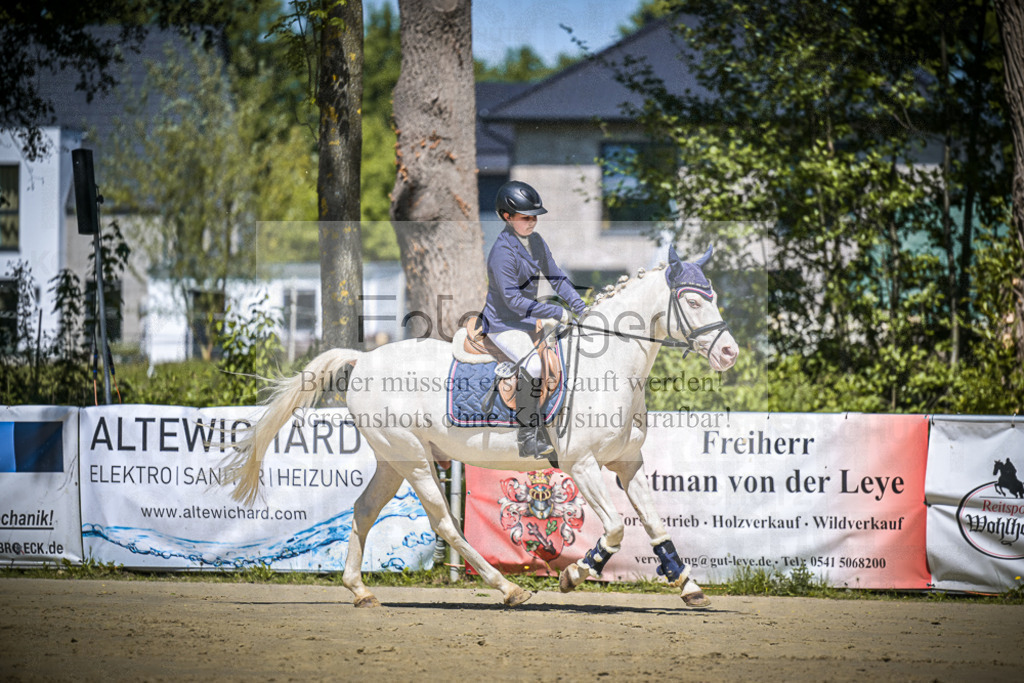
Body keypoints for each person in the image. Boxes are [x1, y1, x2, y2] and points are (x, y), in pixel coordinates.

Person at [480, 180, 587, 459]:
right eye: (526, 217)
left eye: (534, 217)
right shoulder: (502, 253)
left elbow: (556, 276)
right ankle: (527, 438)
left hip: (527, 322)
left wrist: (579, 306)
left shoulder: (535, 242)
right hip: (503, 324)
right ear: (507, 217)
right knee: (534, 366)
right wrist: (556, 311)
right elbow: (512, 301)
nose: (532, 222)